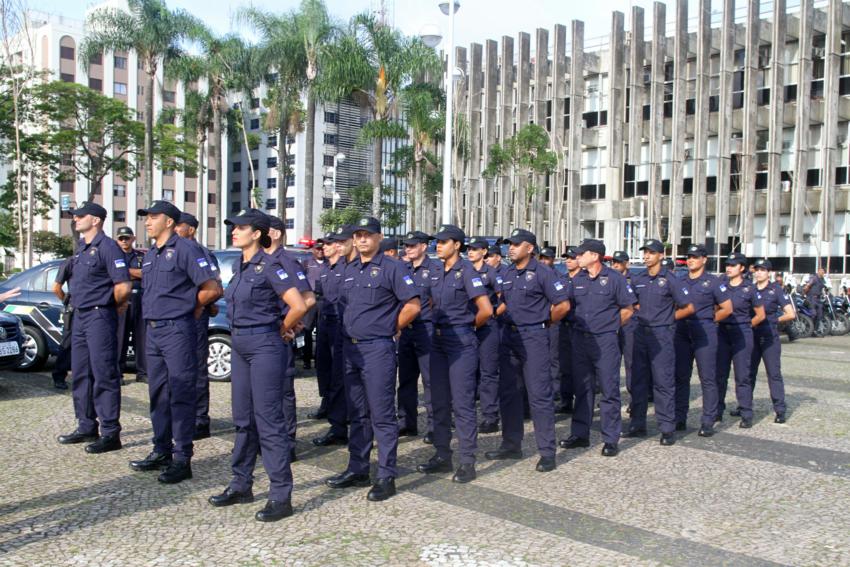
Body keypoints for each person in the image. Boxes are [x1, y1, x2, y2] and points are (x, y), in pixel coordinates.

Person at [208, 209, 307, 523]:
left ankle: (281, 495)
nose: (235, 231)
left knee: (269, 421)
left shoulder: (271, 265)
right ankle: (241, 483)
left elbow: (299, 304)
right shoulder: (241, 265)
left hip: (265, 344)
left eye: (241, 227)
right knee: (242, 419)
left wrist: (282, 328)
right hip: (240, 345)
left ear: (258, 233)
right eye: (233, 227)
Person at [325, 217, 420, 502]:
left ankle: (386, 475)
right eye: (358, 236)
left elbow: (413, 305)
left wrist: (391, 328)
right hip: (350, 349)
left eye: (368, 235)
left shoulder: (393, 268)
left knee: (382, 414)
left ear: (379, 238)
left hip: (377, 348)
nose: (362, 240)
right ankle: (358, 468)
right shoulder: (350, 269)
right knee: (358, 412)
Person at [130, 200, 220, 484]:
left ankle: (182, 458)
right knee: (158, 393)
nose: (147, 222)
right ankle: (161, 450)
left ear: (169, 221)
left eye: (153, 217)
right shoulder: (151, 255)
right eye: (147, 217)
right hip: (153, 330)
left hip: (178, 330)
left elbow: (212, 288)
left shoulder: (186, 249)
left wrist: (190, 308)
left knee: (181, 392)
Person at [487, 229, 570, 472]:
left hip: (533, 336)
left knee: (539, 395)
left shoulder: (543, 273)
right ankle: (511, 444)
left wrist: (544, 323)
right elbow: (506, 303)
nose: (510, 248)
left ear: (530, 248)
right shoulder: (508, 273)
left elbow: (562, 305)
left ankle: (547, 451)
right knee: (509, 392)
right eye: (508, 244)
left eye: (515, 244)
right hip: (509, 335)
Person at [416, 226, 491, 483]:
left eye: (444, 242)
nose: (438, 246)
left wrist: (468, 326)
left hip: (460, 341)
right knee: (437, 400)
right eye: (437, 242)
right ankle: (442, 455)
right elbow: (430, 302)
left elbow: (486, 309)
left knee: (462, 403)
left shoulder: (467, 271)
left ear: (456, 245)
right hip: (436, 339)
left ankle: (467, 461)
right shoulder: (436, 270)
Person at [56, 202, 132, 454]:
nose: (76, 220)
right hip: (80, 316)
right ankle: (86, 425)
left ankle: (110, 432)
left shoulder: (108, 247)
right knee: (80, 373)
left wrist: (112, 307)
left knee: (104, 374)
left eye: (81, 216)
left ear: (96, 220)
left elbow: (122, 286)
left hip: (100, 315)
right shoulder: (81, 248)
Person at [560, 238, 635, 457]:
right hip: (580, 340)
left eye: (581, 254)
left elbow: (628, 309)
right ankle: (580, 434)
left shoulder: (614, 279)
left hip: (605, 341)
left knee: (609, 389)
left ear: (594, 256)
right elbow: (567, 305)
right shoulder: (577, 280)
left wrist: (609, 327)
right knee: (582, 388)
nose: (577, 258)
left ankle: (610, 438)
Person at [622, 239, 694, 445]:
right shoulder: (638, 279)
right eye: (644, 252)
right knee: (638, 381)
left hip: (662, 335)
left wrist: (668, 319)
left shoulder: (671, 279)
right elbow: (630, 302)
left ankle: (667, 428)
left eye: (651, 253)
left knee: (663, 382)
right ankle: (637, 424)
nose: (646, 256)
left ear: (661, 256)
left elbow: (688, 307)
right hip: (640, 333)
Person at [265, 215, 316, 461]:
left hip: (280, 336)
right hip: (259, 337)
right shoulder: (257, 261)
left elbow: (307, 299)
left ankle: (287, 442)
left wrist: (288, 326)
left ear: (274, 233)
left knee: (283, 391)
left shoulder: (287, 262)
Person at [673, 244, 733, 437]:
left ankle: (708, 420)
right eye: (689, 257)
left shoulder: (713, 282)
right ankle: (679, 417)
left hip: (704, 332)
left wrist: (710, 320)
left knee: (707, 378)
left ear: (704, 259)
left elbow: (727, 308)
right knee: (681, 376)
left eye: (695, 257)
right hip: (682, 330)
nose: (691, 260)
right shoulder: (680, 280)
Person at [175, 212, 223, 440]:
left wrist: (201, 305)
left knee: (196, 370)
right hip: (174, 320)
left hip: (194, 318)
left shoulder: (202, 253)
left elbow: (214, 286)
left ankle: (200, 420)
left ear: (191, 230)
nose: (175, 229)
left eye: (179, 226)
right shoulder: (171, 251)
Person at [397, 230, 441, 442]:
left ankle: (434, 426)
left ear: (424, 246)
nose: (408, 249)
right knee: (406, 379)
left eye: (413, 245)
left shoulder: (434, 270)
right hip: (406, 330)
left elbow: (436, 300)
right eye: (406, 245)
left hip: (426, 329)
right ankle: (407, 422)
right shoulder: (402, 269)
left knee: (431, 380)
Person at [312, 228, 352, 447]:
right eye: (323, 245)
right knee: (324, 368)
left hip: (340, 324)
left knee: (340, 375)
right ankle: (327, 405)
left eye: (328, 244)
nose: (324, 248)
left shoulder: (347, 268)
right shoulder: (326, 269)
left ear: (338, 246)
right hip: (325, 321)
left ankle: (340, 423)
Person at [716, 252, 765, 427]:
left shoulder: (749, 288)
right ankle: (717, 411)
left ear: (742, 268)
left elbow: (760, 315)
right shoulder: (721, 286)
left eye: (733, 265)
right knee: (719, 375)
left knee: (742, 375)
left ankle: (746, 413)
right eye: (727, 264)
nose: (728, 268)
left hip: (741, 334)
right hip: (722, 332)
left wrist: (745, 326)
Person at [748, 259, 794, 423]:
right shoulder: (750, 289)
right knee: (748, 373)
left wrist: (774, 320)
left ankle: (780, 410)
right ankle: (744, 406)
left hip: (769, 337)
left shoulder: (776, 290)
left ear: (769, 272)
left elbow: (790, 313)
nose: (759, 272)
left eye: (762, 270)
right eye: (757, 270)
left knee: (773, 374)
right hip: (752, 336)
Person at [467, 237, 501, 433]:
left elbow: (503, 299)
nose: (471, 252)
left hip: (487, 327)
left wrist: (494, 314)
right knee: (467, 374)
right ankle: (466, 414)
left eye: (475, 249)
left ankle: (490, 417)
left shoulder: (492, 273)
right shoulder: (464, 271)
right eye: (469, 249)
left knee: (488, 373)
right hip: (467, 327)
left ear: (484, 252)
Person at [115, 226, 147, 384]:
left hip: (140, 299)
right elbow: (114, 274)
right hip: (122, 300)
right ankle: (118, 372)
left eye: (127, 238)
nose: (124, 241)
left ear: (133, 239)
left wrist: (126, 271)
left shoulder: (141, 256)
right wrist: (134, 272)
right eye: (121, 238)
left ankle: (142, 372)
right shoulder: (114, 256)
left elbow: (147, 273)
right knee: (120, 336)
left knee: (142, 337)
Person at [555, 247, 581, 414]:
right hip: (563, 327)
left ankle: (581, 402)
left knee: (580, 367)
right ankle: (566, 401)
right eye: (566, 258)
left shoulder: (585, 279)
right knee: (564, 366)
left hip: (579, 327)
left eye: (571, 258)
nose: (568, 261)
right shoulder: (561, 279)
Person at [610, 251, 636, 400]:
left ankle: (634, 398)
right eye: (613, 262)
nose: (615, 265)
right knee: (611, 364)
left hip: (629, 325)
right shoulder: (608, 279)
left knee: (631, 363)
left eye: (618, 262)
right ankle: (611, 397)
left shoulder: (635, 279)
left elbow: (636, 305)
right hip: (612, 326)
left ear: (627, 263)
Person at [300, 240, 326, 370]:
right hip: (310, 300)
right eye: (317, 249)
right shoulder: (306, 263)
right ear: (313, 250)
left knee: (322, 332)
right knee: (307, 331)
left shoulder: (329, 263)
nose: (320, 251)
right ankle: (306, 359)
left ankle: (318, 360)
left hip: (324, 301)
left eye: (322, 249)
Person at [51, 260, 73, 390]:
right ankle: (59, 377)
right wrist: (66, 301)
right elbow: (56, 288)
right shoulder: (69, 262)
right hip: (74, 310)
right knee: (66, 345)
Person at [803, 268, 826, 336]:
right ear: (818, 271)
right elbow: (807, 286)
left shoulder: (822, 279)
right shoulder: (814, 278)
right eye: (821, 271)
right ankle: (810, 329)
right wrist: (805, 294)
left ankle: (815, 330)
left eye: (823, 272)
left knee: (819, 315)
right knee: (813, 314)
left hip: (818, 299)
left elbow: (823, 287)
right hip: (812, 298)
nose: (822, 273)